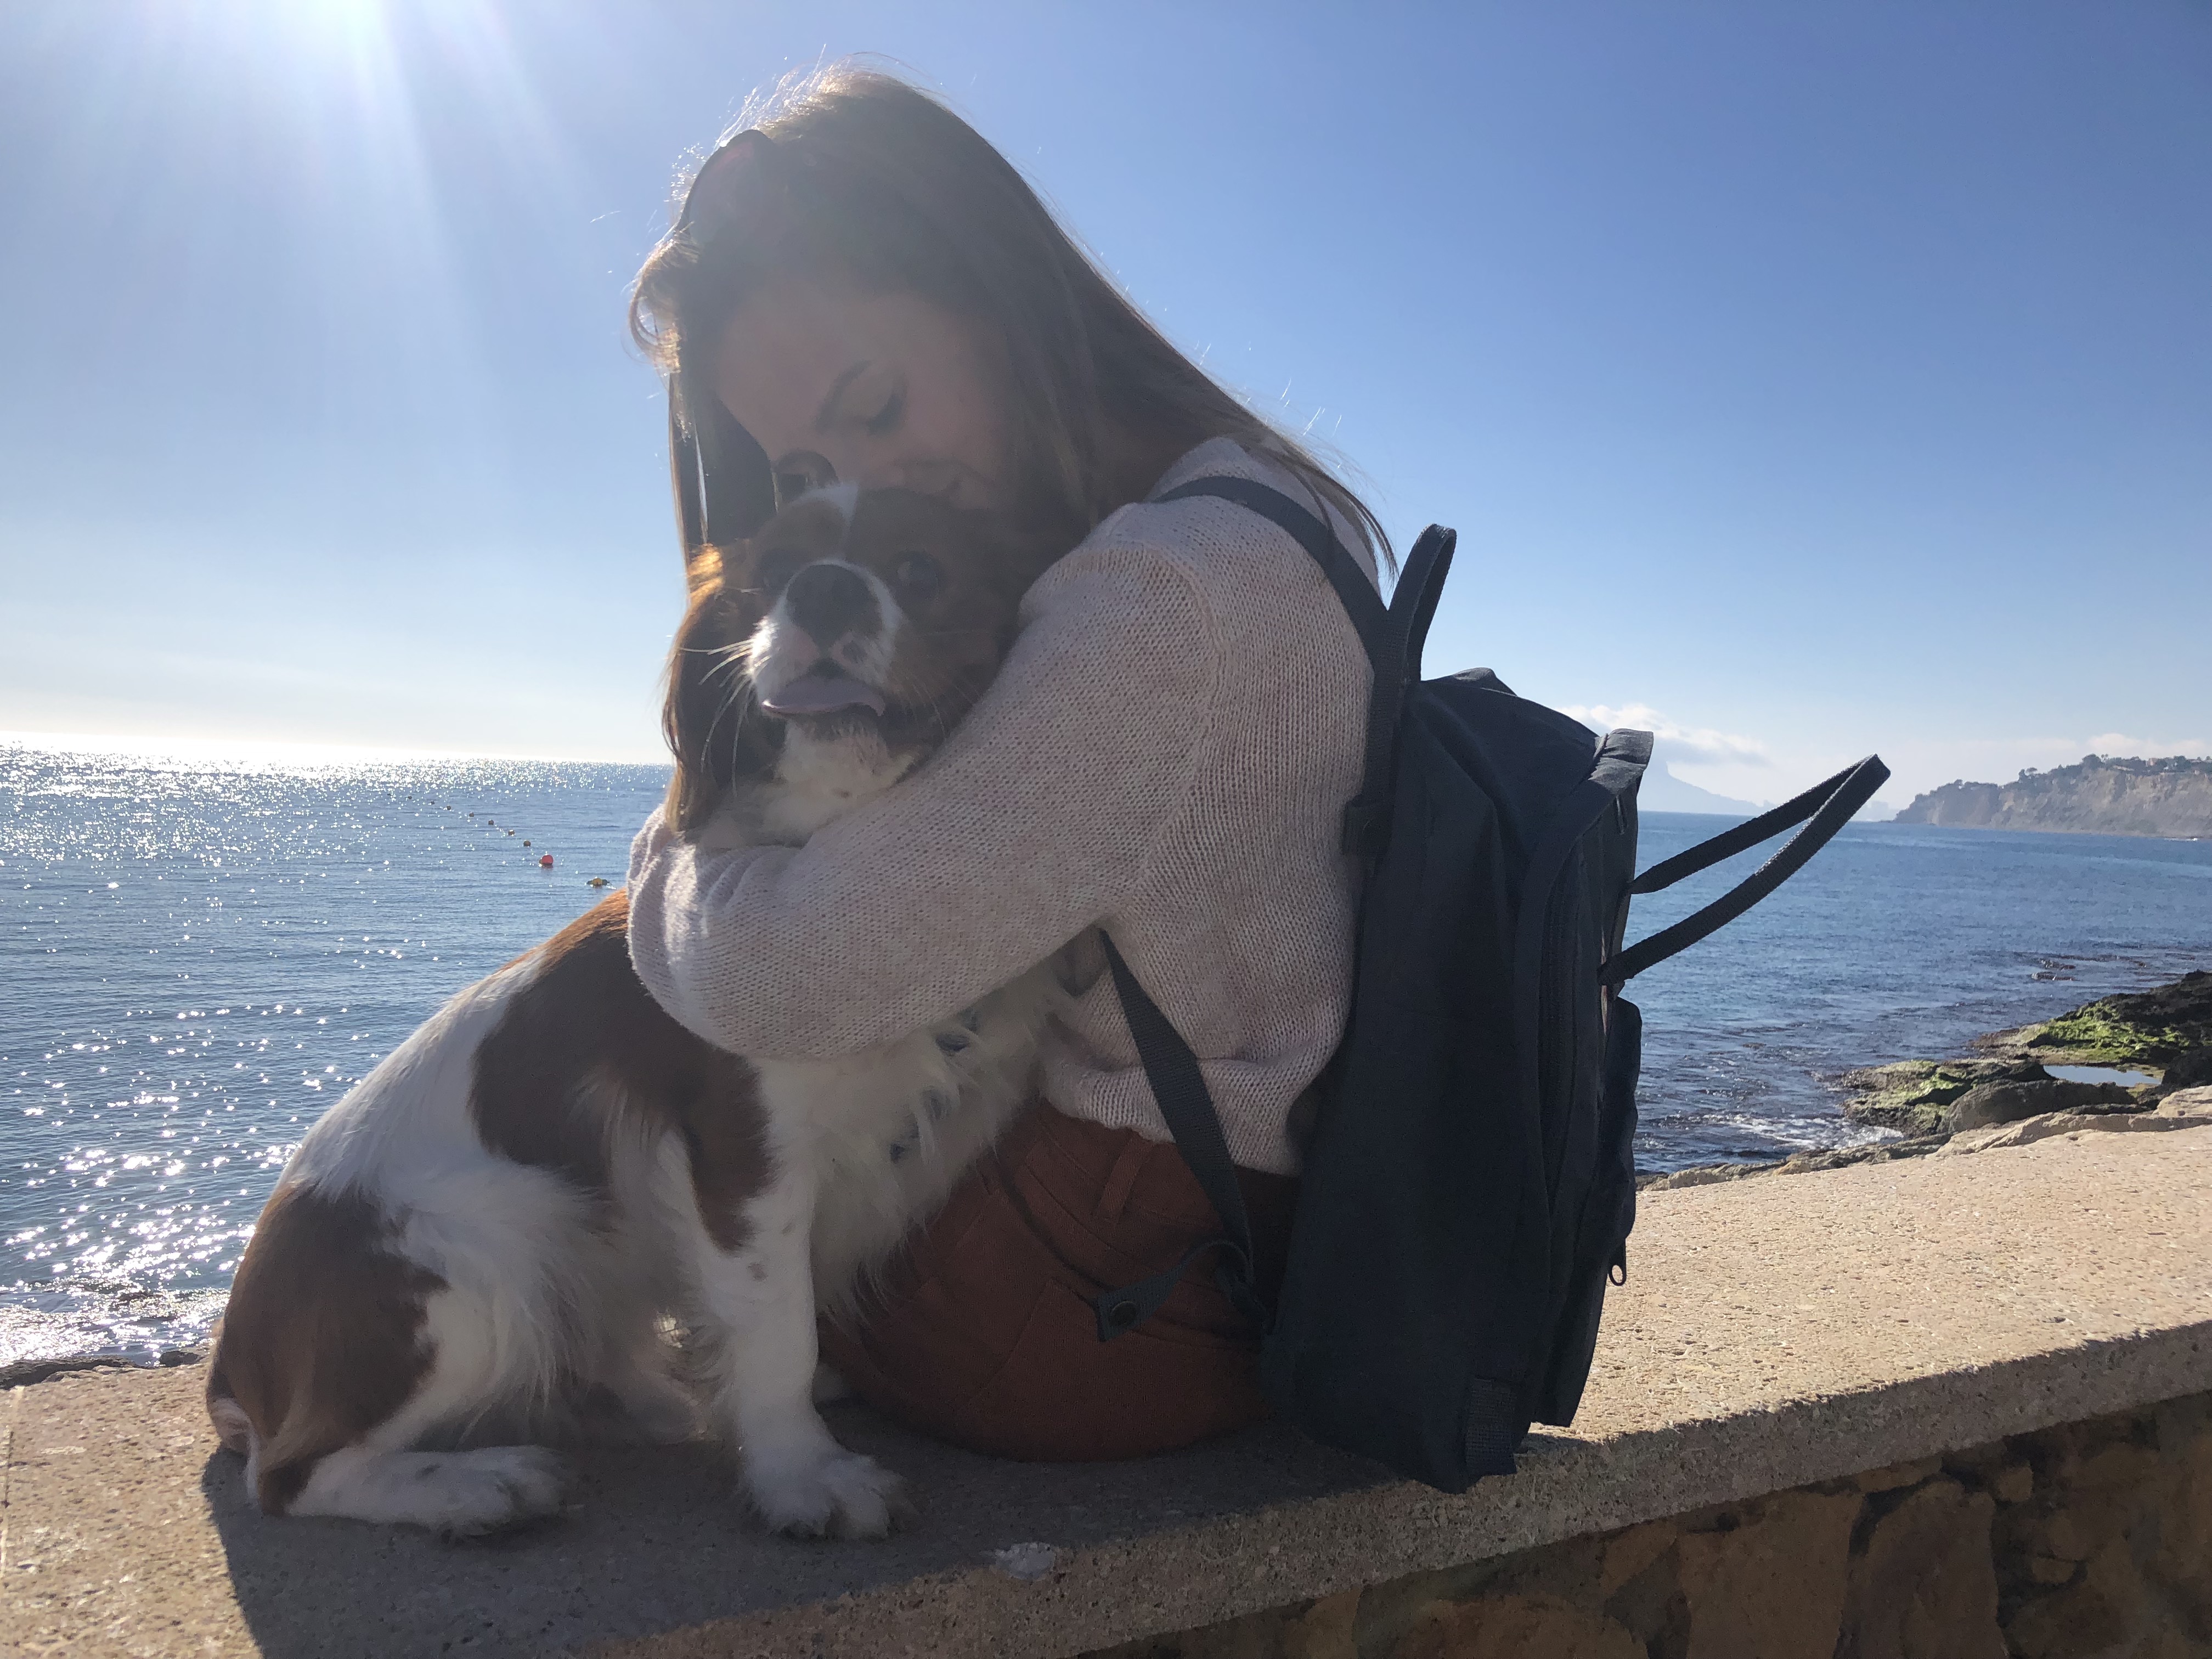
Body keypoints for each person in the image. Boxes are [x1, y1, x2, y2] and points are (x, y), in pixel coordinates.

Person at [624, 63, 1385, 1463]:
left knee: (678, 1157)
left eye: (877, 403)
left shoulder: (1160, 600)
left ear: (1000, 298)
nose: (866, 479)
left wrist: (673, 844)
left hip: (1088, 1291)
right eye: (801, 469)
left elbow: (784, 980)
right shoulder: (1240, 507)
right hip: (1212, 1240)